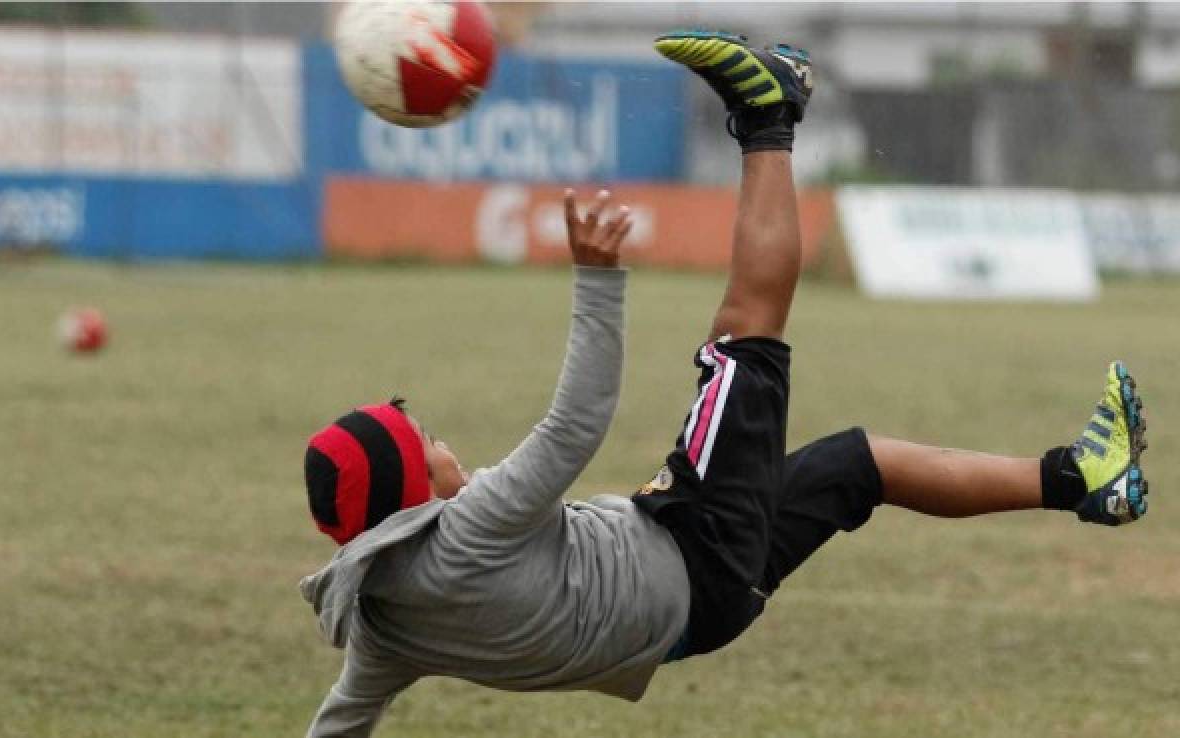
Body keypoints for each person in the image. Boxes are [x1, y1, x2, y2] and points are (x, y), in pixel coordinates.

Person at [298, 32, 1149, 738]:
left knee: (862, 465)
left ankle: (1083, 477)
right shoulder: (468, 531)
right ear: (412, 497)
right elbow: (577, 422)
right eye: (426, 444)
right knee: (743, 330)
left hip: (698, 607)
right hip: (691, 553)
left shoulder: (380, 619)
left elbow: (340, 721)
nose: (443, 444)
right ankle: (769, 113)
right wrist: (597, 277)